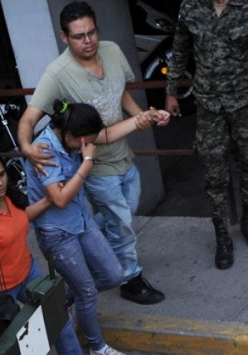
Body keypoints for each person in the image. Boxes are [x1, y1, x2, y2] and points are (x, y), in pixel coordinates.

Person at [18, 1, 168, 306]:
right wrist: (25, 146)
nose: (88, 41)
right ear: (64, 37)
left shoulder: (111, 50)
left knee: (122, 213)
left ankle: (85, 240)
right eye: (78, 36)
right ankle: (130, 278)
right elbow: (29, 118)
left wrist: (144, 116)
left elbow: (120, 92)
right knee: (122, 224)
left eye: (91, 32)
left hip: (124, 155)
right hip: (95, 165)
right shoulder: (57, 73)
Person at [0, 149, 113, 355]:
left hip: (28, 270)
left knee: (60, 321)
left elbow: (20, 220)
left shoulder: (8, 198)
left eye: (1, 174)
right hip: (2, 289)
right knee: (16, 344)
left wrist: (47, 200)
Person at [165, 0, 248, 270]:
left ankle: (247, 221)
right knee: (214, 174)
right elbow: (179, 49)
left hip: (247, 102)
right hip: (209, 106)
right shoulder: (191, 7)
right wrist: (171, 91)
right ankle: (222, 235)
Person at [26, 100, 152, 355]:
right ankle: (97, 347)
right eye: (89, 141)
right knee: (87, 291)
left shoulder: (72, 140)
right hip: (57, 233)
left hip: (82, 221)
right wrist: (87, 162)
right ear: (75, 136)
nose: (91, 145)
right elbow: (58, 199)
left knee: (113, 274)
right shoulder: (45, 150)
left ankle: (61, 302)